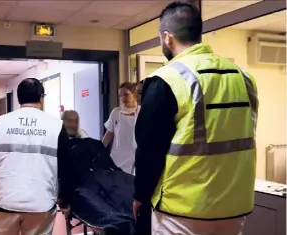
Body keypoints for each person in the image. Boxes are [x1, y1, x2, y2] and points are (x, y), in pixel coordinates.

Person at [132, 2, 259, 235]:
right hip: (234, 208)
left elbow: (149, 149)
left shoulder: (166, 79)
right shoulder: (243, 77)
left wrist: (140, 195)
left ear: (167, 38)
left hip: (183, 211)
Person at [0, 78, 71, 235]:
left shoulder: (1, 123)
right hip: (41, 202)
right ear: (41, 97)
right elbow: (66, 166)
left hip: (4, 200)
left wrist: (0, 180)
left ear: (18, 98)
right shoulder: (55, 126)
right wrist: (64, 198)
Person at [102, 82, 140, 174]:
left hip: (136, 158)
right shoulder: (116, 112)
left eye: (126, 94)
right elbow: (109, 134)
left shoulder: (141, 112)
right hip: (117, 158)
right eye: (120, 95)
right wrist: (99, 150)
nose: (123, 98)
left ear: (134, 94)